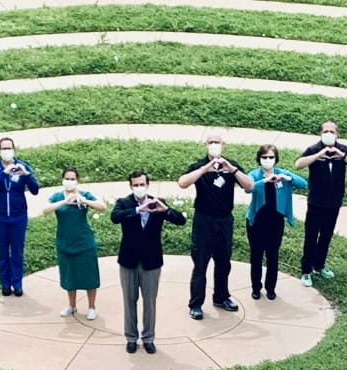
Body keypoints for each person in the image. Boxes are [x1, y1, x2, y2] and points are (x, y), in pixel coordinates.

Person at [177, 131, 252, 320]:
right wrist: (205, 169)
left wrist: (231, 169)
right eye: (210, 142)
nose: (213, 144)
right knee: (200, 264)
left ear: (223, 144)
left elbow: (249, 185)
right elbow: (182, 183)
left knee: (224, 263)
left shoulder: (230, 166)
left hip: (224, 220)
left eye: (216, 142)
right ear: (206, 145)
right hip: (204, 221)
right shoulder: (199, 166)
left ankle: (221, 296)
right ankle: (195, 304)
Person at [111, 171, 186, 354]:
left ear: (147, 184)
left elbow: (181, 220)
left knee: (149, 302)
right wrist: (138, 209)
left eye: (142, 184)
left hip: (151, 260)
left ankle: (148, 337)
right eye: (135, 185)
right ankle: (130, 337)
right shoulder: (124, 203)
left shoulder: (157, 202)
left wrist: (165, 210)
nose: (139, 188)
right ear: (130, 186)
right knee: (129, 300)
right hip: (129, 260)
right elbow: (115, 217)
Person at [294, 120, 347, 285]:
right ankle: (306, 270)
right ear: (321, 133)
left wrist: (342, 155)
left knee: (326, 235)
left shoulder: (343, 150)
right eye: (326, 131)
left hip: (334, 202)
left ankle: (320, 265)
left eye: (332, 131)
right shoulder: (313, 149)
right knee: (311, 236)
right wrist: (318, 155)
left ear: (337, 134)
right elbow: (298, 164)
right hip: (316, 201)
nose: (329, 134)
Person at [244, 145, 306, 300]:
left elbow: (303, 183)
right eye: (264, 157)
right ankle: (256, 288)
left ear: (276, 159)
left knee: (273, 256)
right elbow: (248, 188)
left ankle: (270, 288)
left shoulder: (282, 173)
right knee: (256, 256)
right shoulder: (255, 174)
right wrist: (265, 181)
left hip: (275, 221)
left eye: (271, 157)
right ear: (259, 159)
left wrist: (288, 178)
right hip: (257, 221)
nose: (267, 160)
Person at [42, 167, 105, 319]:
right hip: (64, 241)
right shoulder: (57, 196)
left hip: (84, 242)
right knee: (69, 275)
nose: (69, 181)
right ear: (62, 180)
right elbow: (45, 210)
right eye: (67, 178)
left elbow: (102, 207)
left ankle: (92, 307)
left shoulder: (84, 195)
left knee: (89, 275)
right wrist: (65, 201)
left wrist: (84, 201)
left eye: (72, 179)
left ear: (77, 180)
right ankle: (72, 305)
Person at [0, 137, 41, 296]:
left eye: (9, 148)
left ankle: (17, 283)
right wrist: (3, 173)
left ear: (14, 149)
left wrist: (27, 175)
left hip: (18, 216)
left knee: (17, 251)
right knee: (2, 251)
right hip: (0, 216)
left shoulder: (22, 166)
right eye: (4, 148)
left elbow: (35, 190)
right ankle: (5, 284)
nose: (6, 151)